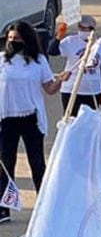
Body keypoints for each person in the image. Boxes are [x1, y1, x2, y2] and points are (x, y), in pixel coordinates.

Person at [0, 22, 65, 222]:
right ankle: (4, 207)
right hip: (6, 118)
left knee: (37, 163)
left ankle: (45, 205)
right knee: (5, 164)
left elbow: (49, 88)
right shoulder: (2, 60)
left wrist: (61, 79)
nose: (13, 42)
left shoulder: (39, 62)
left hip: (31, 118)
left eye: (17, 39)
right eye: (10, 39)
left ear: (26, 40)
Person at [55, 15, 101, 115]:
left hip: (93, 91)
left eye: (84, 28)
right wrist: (59, 36)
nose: (81, 31)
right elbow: (52, 51)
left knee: (90, 122)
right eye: (80, 27)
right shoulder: (70, 41)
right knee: (70, 121)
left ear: (91, 29)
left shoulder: (100, 45)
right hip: (71, 89)